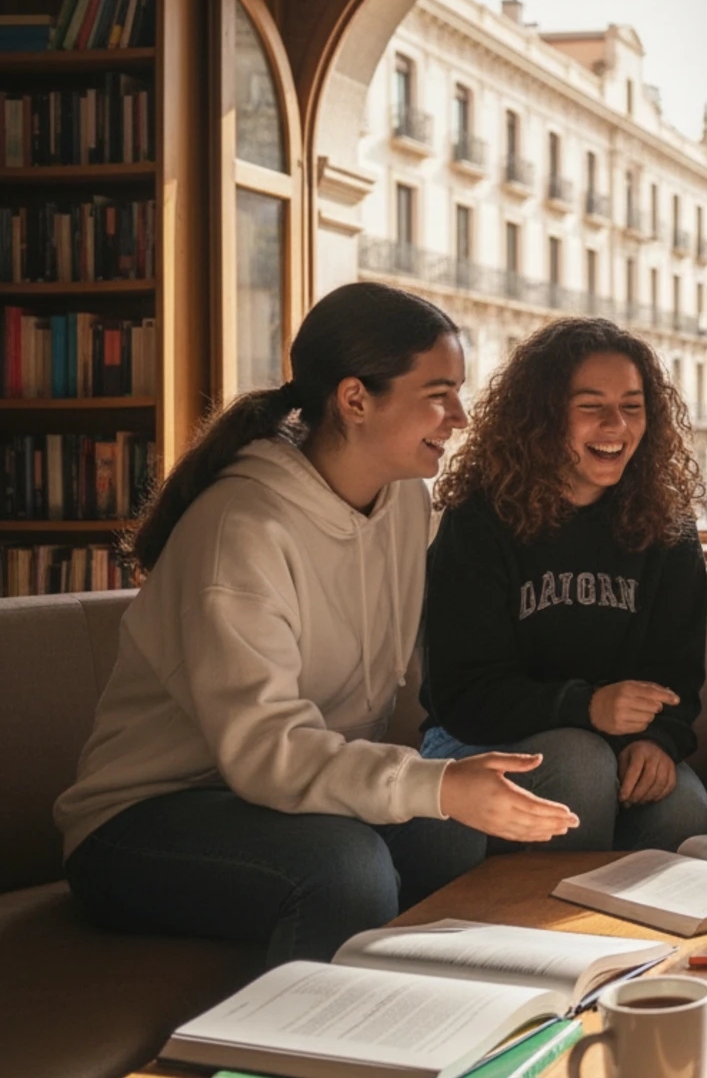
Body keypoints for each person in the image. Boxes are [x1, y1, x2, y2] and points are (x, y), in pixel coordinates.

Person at [55, 282, 578, 964]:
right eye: (439, 393)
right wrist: (437, 782)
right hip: (142, 822)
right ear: (355, 399)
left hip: (282, 802)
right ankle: (308, 1050)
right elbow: (266, 752)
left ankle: (442, 1010)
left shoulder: (404, 503)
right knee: (347, 864)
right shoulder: (241, 529)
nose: (459, 416)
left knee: (448, 833)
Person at [420, 318, 707, 852]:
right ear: (542, 417)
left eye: (632, 406)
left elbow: (676, 677)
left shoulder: (668, 525)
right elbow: (460, 695)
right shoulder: (479, 521)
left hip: (614, 742)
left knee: (683, 812)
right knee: (580, 764)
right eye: (590, 405)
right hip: (475, 739)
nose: (615, 425)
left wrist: (658, 740)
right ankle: (554, 934)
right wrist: (586, 708)